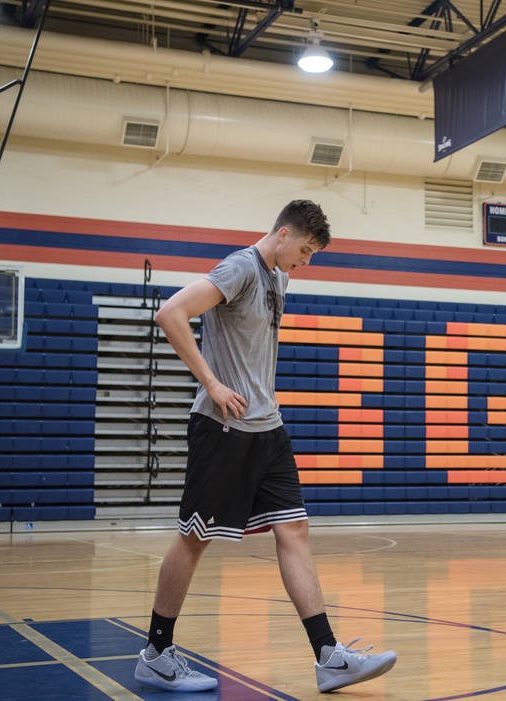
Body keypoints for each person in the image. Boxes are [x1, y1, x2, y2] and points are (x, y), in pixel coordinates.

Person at [134, 200, 397, 694]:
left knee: (294, 530)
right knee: (195, 537)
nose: (307, 261)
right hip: (225, 427)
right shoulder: (241, 268)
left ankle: (329, 657)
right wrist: (211, 382)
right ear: (281, 234)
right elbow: (171, 313)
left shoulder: (281, 277)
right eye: (305, 249)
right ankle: (156, 652)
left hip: (268, 428)